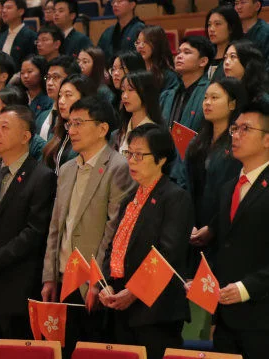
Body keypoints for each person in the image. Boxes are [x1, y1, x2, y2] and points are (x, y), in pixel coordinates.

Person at [41, 96, 135, 355]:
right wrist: (49, 276)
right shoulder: (67, 168)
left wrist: (99, 280)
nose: (71, 130)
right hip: (63, 278)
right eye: (69, 124)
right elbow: (55, 228)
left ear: (103, 128)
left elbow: (114, 230)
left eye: (79, 123)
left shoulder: (118, 167)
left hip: (93, 284)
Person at [0, 105, 57, 353]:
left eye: (5, 128)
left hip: (16, 289)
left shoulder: (42, 177)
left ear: (26, 136)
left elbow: (33, 233)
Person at [99, 124, 193, 359]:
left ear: (161, 159)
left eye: (139, 155)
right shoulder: (130, 198)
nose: (131, 161)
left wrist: (133, 292)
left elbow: (167, 255)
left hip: (155, 312)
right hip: (120, 306)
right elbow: (114, 246)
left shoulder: (175, 197)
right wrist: (106, 284)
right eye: (129, 153)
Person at [210, 99, 269, 359]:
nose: (236, 135)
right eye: (235, 128)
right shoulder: (228, 188)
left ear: (267, 140)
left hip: (261, 318)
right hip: (226, 317)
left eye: (246, 129)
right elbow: (226, 248)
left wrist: (246, 288)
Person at [187, 78, 246, 273]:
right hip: (193, 228)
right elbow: (187, 184)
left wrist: (212, 228)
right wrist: (189, 223)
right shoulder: (198, 141)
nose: (207, 103)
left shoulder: (238, 144)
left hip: (223, 231)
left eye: (214, 98)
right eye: (205, 98)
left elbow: (236, 190)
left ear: (232, 104)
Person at [159, 36, 214, 132]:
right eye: (179, 52)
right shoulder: (167, 95)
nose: (179, 56)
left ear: (203, 61)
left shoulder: (210, 92)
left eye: (187, 52)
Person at [42, 74, 95, 172]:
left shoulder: (90, 134)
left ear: (84, 98)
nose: (61, 101)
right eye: (60, 96)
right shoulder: (59, 128)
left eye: (68, 95)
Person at [114, 71, 163, 152]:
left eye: (130, 89)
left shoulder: (155, 133)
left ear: (146, 92)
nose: (124, 96)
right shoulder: (122, 129)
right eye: (123, 90)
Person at [36, 55, 81, 143]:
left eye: (56, 77)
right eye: (48, 77)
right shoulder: (42, 116)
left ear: (71, 79)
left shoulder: (78, 120)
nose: (49, 83)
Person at [136, 26, 181, 94]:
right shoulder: (135, 72)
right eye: (138, 42)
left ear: (157, 44)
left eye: (146, 42)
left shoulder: (169, 76)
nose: (140, 46)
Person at [0, 0, 38, 66]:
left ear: (21, 12)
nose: (3, 11)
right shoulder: (0, 37)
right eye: (3, 8)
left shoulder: (31, 36)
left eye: (8, 8)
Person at [206, 6, 244, 80]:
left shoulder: (239, 54)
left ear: (231, 28)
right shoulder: (206, 55)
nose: (211, 29)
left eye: (217, 24)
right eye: (209, 25)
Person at [21, 55, 53, 119]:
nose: (25, 76)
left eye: (29, 71)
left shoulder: (49, 100)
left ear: (42, 72)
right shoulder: (18, 96)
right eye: (22, 73)